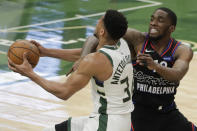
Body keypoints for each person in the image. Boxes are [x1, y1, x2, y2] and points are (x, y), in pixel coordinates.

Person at [8, 9, 134, 131]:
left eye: (100, 20)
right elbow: (83, 54)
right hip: (118, 119)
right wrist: (46, 52)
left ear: (102, 32)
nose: (97, 21)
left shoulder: (96, 60)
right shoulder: (121, 44)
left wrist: (30, 73)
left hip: (107, 124)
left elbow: (64, 92)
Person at [78, 7, 197, 131]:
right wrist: (82, 58)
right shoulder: (138, 39)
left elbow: (178, 74)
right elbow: (98, 35)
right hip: (137, 112)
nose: (153, 23)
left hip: (167, 111)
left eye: (160, 20)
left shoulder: (181, 50)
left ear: (171, 28)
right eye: (152, 19)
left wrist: (155, 66)